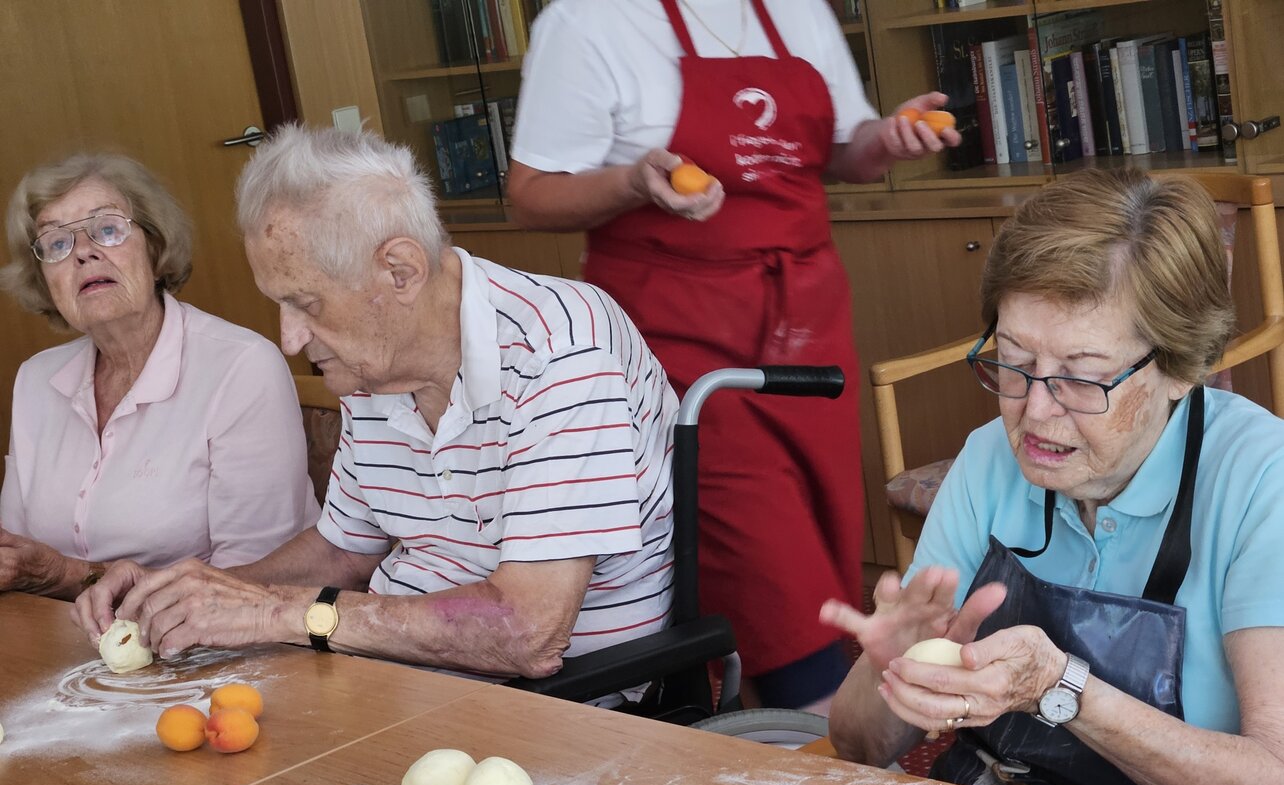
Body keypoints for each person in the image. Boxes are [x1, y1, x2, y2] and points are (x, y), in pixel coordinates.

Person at [74, 125, 678, 685]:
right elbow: (343, 551)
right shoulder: (373, 365)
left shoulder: (561, 349)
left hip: (553, 707)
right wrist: (189, 595)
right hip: (396, 677)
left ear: (400, 271)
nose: (289, 339)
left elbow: (528, 632)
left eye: (306, 304)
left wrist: (278, 614)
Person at [505, 0, 960, 712]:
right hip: (683, 347)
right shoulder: (589, 20)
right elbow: (529, 195)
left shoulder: (794, 10)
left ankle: (791, 738)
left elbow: (843, 150)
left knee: (821, 554)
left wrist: (888, 139)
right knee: (768, 571)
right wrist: (632, 182)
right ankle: (828, 748)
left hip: (807, 331)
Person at [824, 168, 1284, 785]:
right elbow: (858, 746)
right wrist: (886, 673)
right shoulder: (988, 460)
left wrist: (1060, 687)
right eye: (1013, 361)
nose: (1035, 411)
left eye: (1081, 376)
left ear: (1182, 366)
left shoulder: (1260, 480)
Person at [0, 153, 318, 601]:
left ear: (153, 245)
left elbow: (249, 583)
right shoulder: (35, 380)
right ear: (43, 277)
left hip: (208, 648)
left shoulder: (241, 367)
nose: (84, 253)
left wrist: (68, 574)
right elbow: (17, 556)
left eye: (107, 229)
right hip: (64, 641)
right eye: (56, 243)